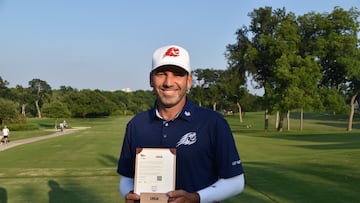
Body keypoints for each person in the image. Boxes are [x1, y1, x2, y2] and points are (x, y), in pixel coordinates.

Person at [117, 45, 245, 202]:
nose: (168, 82)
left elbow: (236, 182)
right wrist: (129, 194)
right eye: (162, 74)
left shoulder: (213, 123)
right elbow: (126, 178)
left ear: (189, 80)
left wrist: (196, 198)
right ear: (151, 79)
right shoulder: (136, 125)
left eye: (177, 74)